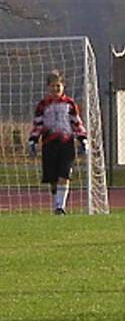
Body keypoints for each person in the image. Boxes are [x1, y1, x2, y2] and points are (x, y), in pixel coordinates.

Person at [27, 70, 87, 214]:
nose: (56, 89)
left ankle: (61, 207)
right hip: (49, 143)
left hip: (66, 142)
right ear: (48, 87)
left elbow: (75, 122)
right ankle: (56, 204)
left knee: (64, 174)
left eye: (58, 86)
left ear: (63, 86)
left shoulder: (69, 103)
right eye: (53, 86)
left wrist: (82, 138)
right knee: (53, 177)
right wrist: (33, 140)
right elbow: (38, 124)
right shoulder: (43, 105)